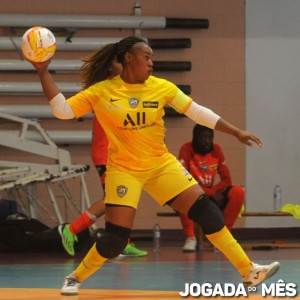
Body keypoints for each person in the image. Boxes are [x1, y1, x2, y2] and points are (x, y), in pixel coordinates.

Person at [29, 36, 280, 296]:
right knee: (115, 240)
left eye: (151, 57)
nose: (151, 62)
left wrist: (236, 131)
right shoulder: (102, 91)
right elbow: (62, 110)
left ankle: (248, 271)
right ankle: (75, 277)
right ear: (128, 58)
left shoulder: (161, 87)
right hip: (124, 170)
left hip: (161, 165)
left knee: (208, 214)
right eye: (146, 56)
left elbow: (198, 112)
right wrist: (43, 71)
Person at [57, 46, 147, 257]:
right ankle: (71, 229)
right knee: (113, 200)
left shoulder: (124, 87)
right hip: (106, 153)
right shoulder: (104, 89)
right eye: (120, 63)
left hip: (120, 154)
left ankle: (122, 241)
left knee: (123, 198)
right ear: (110, 66)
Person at [178, 124, 245, 252]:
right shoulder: (186, 149)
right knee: (181, 192)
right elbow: (182, 178)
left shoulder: (216, 150)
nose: (207, 141)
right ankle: (191, 238)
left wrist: (213, 192)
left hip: (211, 195)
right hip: (192, 193)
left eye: (210, 137)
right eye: (203, 137)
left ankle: (223, 238)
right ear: (195, 138)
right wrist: (210, 192)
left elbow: (227, 180)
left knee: (238, 192)